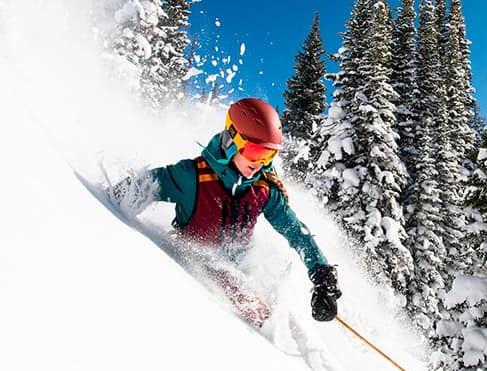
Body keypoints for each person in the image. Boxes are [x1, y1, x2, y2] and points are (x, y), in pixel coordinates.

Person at [112, 97, 340, 323]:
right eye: (255, 152)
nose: (260, 163)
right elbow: (137, 188)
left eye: (269, 155)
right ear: (232, 141)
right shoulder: (193, 176)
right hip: (186, 267)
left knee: (264, 319)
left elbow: (294, 230)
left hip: (237, 275)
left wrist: (321, 274)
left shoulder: (264, 190)